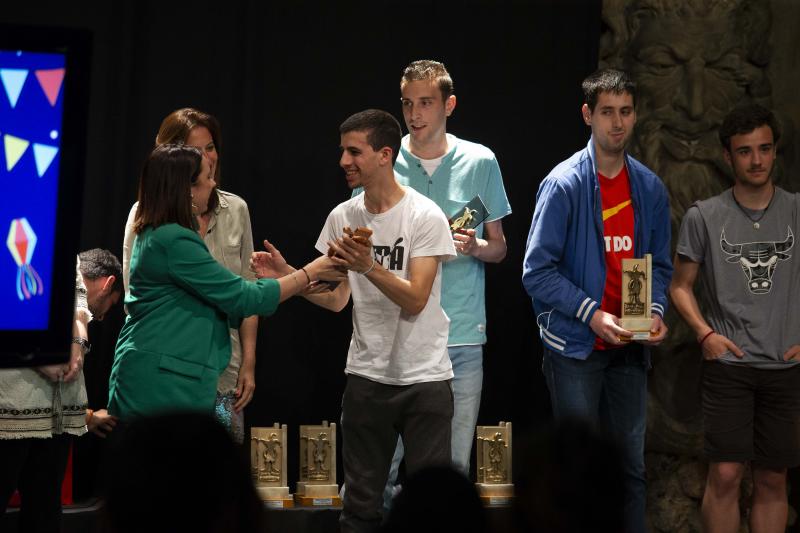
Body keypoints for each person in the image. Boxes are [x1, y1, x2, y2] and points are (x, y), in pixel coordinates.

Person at [251, 109, 456, 533]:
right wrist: (289, 274)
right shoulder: (343, 217)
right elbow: (337, 300)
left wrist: (369, 267)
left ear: (385, 154)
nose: (344, 161)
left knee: (432, 510)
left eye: (354, 151)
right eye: (342, 151)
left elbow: (416, 298)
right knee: (360, 506)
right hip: (366, 378)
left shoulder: (424, 215)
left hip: (424, 380)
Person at [521, 68, 671, 533]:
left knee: (631, 469)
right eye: (607, 112)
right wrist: (592, 314)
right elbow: (535, 272)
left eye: (626, 111)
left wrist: (657, 311)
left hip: (628, 348)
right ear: (588, 115)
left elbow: (659, 266)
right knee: (577, 473)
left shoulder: (648, 187)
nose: (617, 123)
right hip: (575, 348)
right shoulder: (564, 184)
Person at [108, 144, 343, 421]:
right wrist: (310, 271)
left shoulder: (162, 233)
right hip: (161, 384)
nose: (214, 183)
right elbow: (242, 297)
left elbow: (226, 292)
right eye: (207, 178)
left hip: (165, 377)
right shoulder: (173, 240)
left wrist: (288, 281)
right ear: (187, 190)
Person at [369, 59, 510, 490]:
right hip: (396, 334)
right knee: (380, 472)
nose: (414, 114)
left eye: (426, 103)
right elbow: (363, 240)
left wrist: (475, 247)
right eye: (408, 103)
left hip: (461, 336)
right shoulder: (384, 161)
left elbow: (499, 247)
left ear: (449, 104)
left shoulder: (480, 161)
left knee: (451, 473)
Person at [670, 104, 800, 533]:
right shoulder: (704, 216)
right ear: (728, 157)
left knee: (772, 477)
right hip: (730, 366)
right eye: (745, 152)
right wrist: (705, 333)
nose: (757, 160)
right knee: (725, 475)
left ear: (775, 151)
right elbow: (679, 286)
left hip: (786, 366)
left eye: (764, 149)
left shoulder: (798, 211)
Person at [121, 108, 257, 442]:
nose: (207, 158)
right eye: (196, 151)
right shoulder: (146, 214)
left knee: (217, 473)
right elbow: (133, 295)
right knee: (165, 469)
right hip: (169, 374)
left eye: (210, 147)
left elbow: (248, 291)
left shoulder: (236, 208)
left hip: (225, 370)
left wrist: (248, 364)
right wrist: (306, 276)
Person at [0, 248, 123, 532]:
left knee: (44, 511)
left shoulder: (67, 255)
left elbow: (80, 309)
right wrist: (36, 353)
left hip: (58, 413)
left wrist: (77, 348)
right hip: (14, 406)